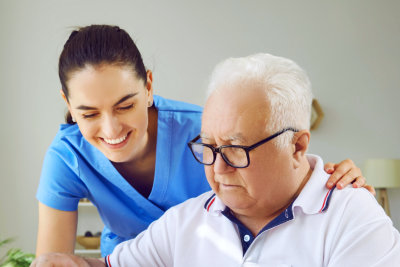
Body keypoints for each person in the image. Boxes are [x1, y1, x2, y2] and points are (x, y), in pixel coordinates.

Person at [31, 53, 400, 267]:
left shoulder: (353, 219)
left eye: (237, 150)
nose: (218, 170)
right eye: (207, 147)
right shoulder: (188, 219)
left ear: (298, 147)